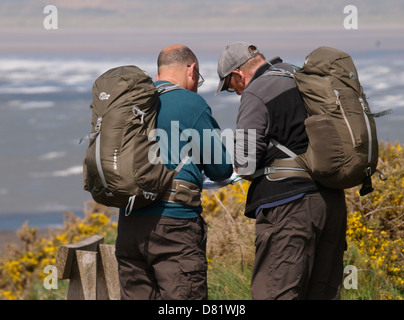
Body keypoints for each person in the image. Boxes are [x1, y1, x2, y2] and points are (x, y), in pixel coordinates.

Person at [215, 41, 347, 300]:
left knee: (276, 292)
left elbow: (246, 163)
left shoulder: (257, 91)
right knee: (323, 292)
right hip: (331, 202)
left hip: (289, 207)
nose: (238, 93)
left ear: (239, 74)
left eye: (232, 87)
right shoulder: (300, 75)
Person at [115, 44, 233, 300]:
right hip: (174, 226)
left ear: (158, 73)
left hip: (129, 224)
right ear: (192, 70)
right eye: (198, 79)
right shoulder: (190, 102)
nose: (197, 85)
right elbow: (221, 168)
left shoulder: (129, 102)